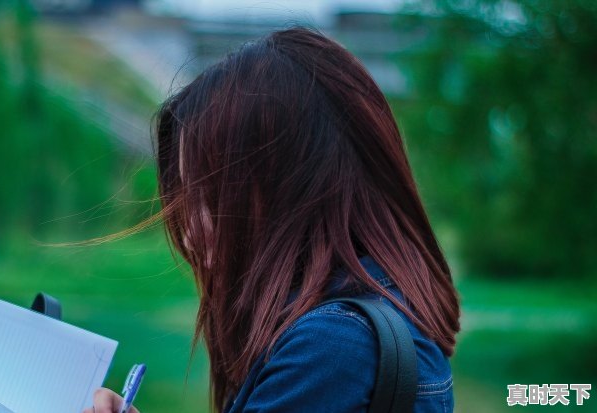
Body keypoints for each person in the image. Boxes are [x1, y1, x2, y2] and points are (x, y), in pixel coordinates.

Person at [84, 27, 460, 413]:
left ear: (283, 189)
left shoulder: (333, 346)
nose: (190, 232)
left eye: (207, 197)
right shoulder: (375, 312)